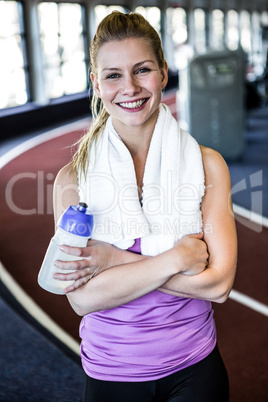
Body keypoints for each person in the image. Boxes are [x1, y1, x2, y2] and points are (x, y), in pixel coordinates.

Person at [52, 11, 237, 402]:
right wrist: (177, 258)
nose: (130, 88)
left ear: (163, 73)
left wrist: (113, 260)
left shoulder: (207, 165)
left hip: (194, 367)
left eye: (142, 70)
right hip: (111, 372)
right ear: (96, 83)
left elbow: (219, 285)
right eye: (113, 75)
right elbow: (81, 298)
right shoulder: (73, 179)